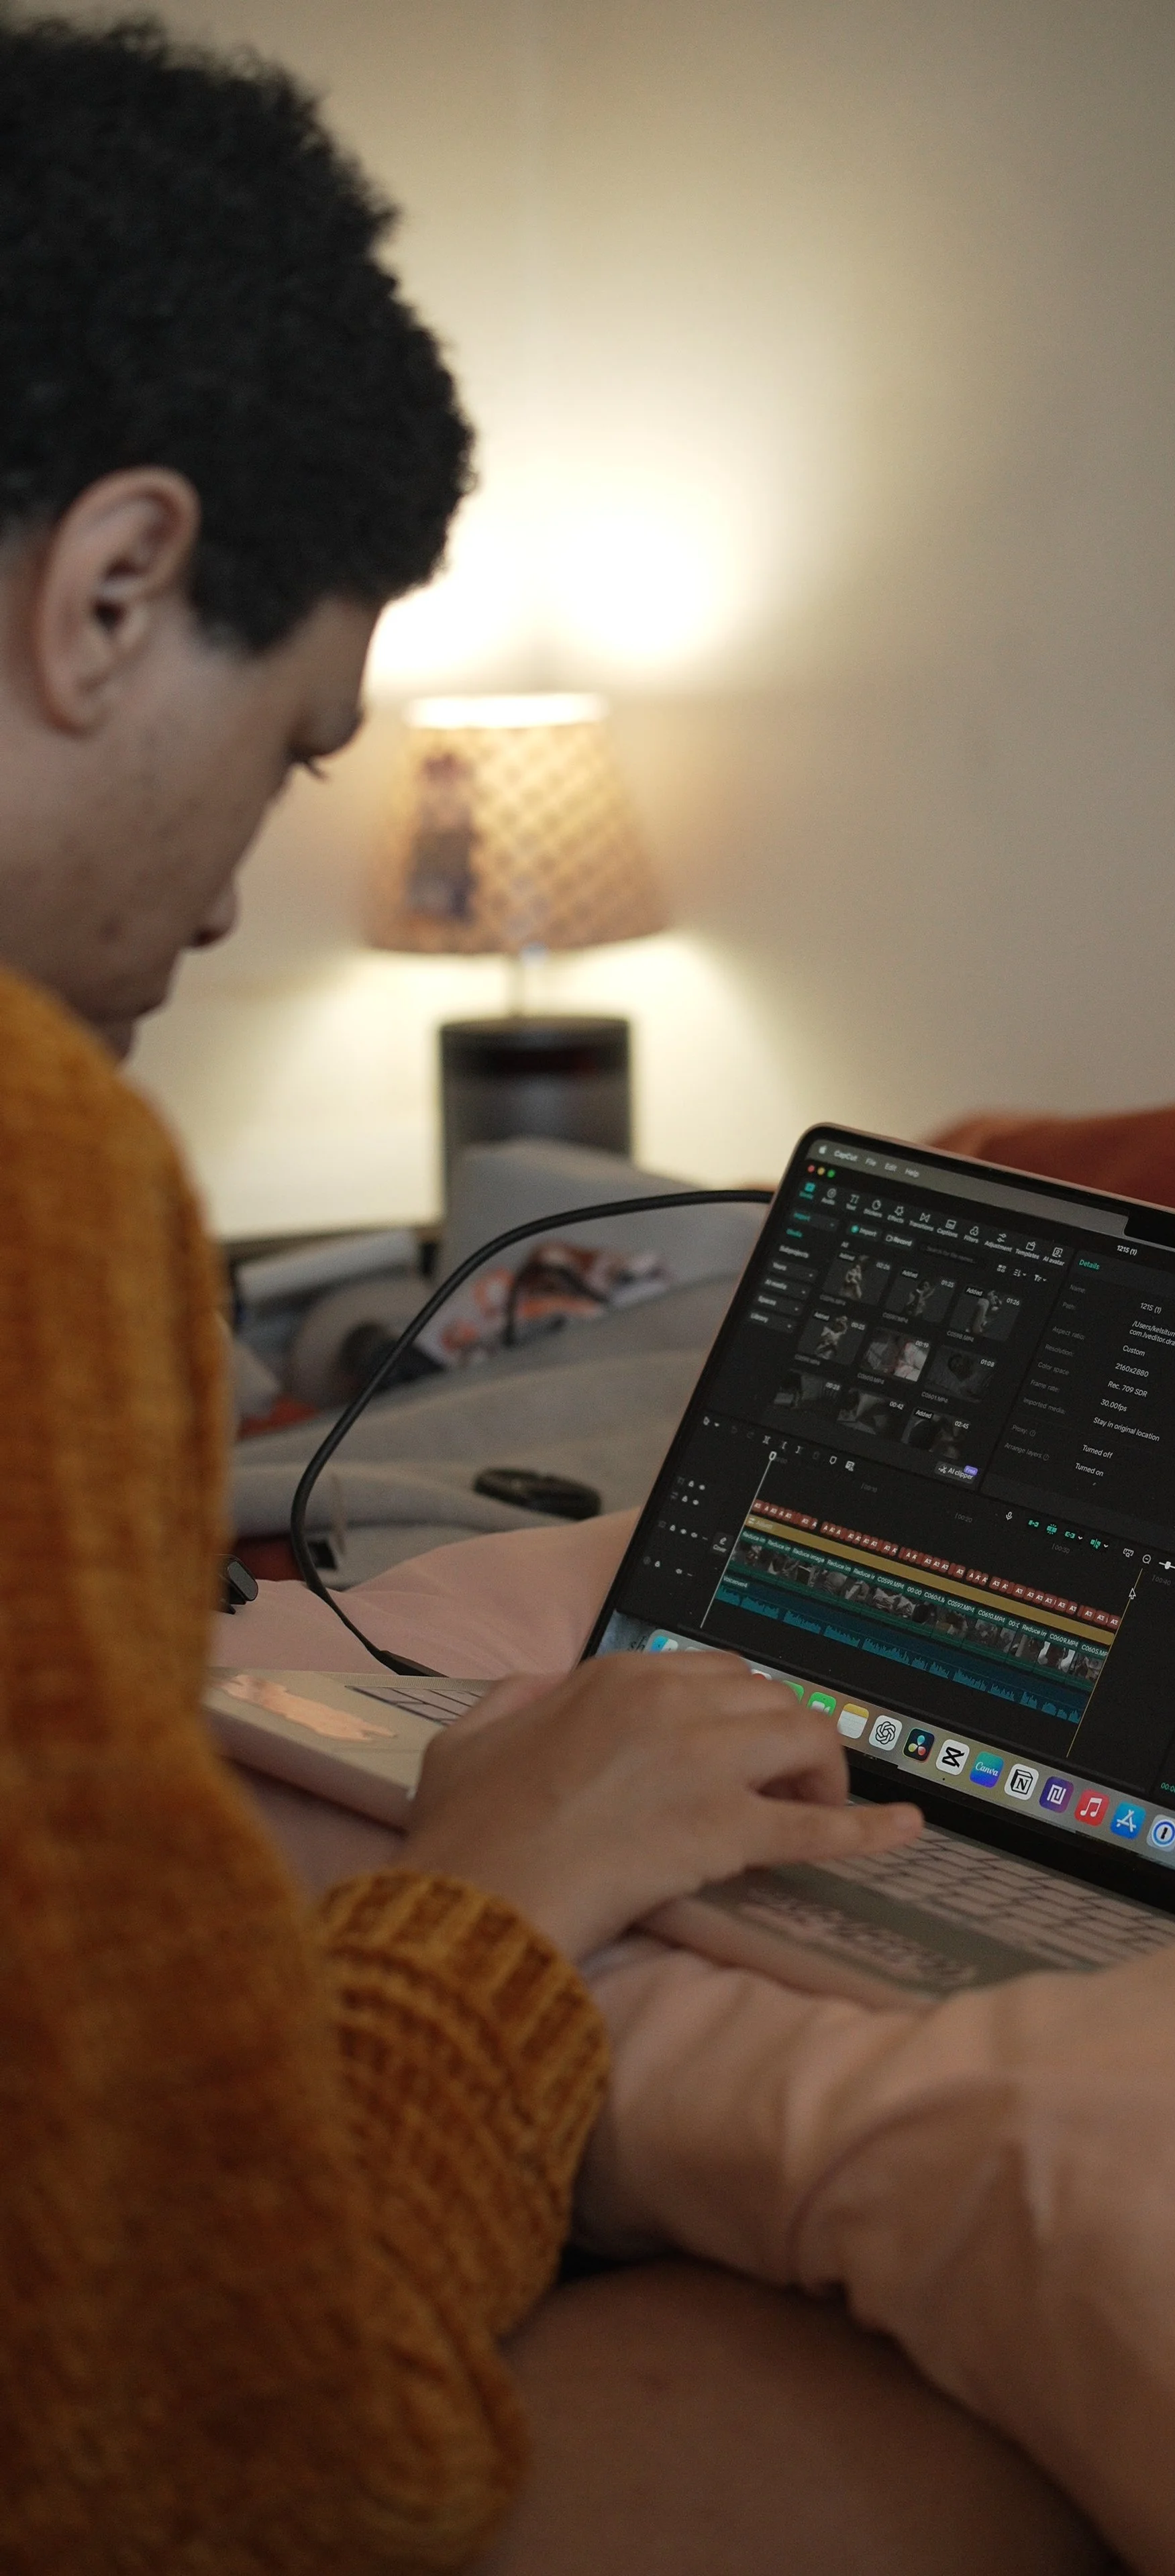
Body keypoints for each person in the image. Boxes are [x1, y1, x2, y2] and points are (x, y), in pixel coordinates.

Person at [0, 19, 1104, 2574]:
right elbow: (220, 2457)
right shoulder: (34, 1156)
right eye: (291, 751)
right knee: (917, 2386)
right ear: (115, 585)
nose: (219, 895)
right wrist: (486, 1898)